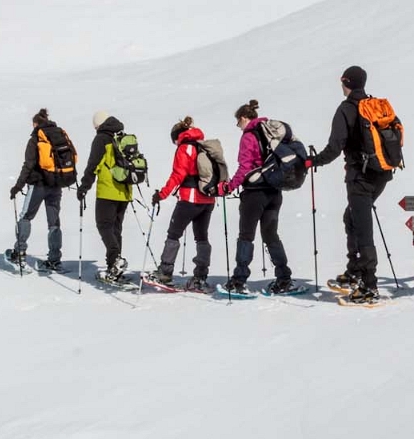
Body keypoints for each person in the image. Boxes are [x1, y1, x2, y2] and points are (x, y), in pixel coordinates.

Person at [310, 65, 394, 304]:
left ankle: (369, 286)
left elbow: (335, 147)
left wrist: (313, 161)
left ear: (345, 82)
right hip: (381, 175)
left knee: (362, 228)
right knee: (352, 219)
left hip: (360, 177)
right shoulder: (374, 106)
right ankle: (354, 272)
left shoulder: (347, 108)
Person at [218, 100, 295, 295]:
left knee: (246, 235)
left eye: (238, 123)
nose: (238, 127)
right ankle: (284, 278)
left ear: (244, 118)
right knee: (271, 235)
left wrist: (229, 186)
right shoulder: (271, 132)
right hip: (274, 191)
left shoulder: (249, 136)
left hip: (254, 193)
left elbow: (245, 167)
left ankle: (239, 280)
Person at [146, 117, 214, 292]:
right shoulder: (204, 146)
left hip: (190, 199)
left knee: (174, 234)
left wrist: (161, 194)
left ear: (177, 137)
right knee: (202, 237)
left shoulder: (185, 148)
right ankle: (200, 278)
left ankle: (165, 273)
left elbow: (178, 175)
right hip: (208, 199)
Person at [8, 108, 74, 272]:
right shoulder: (59, 135)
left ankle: (20, 253)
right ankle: (55, 260)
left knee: (26, 217)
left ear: (35, 123)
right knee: (54, 223)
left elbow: (28, 165)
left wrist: (18, 186)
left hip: (38, 185)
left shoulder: (36, 138)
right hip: (56, 184)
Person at [77, 110, 133, 283]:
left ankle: (115, 259)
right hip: (124, 191)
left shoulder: (101, 139)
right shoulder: (120, 135)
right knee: (116, 228)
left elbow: (93, 164)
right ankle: (113, 269)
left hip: (108, 190)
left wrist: (84, 186)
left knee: (104, 225)